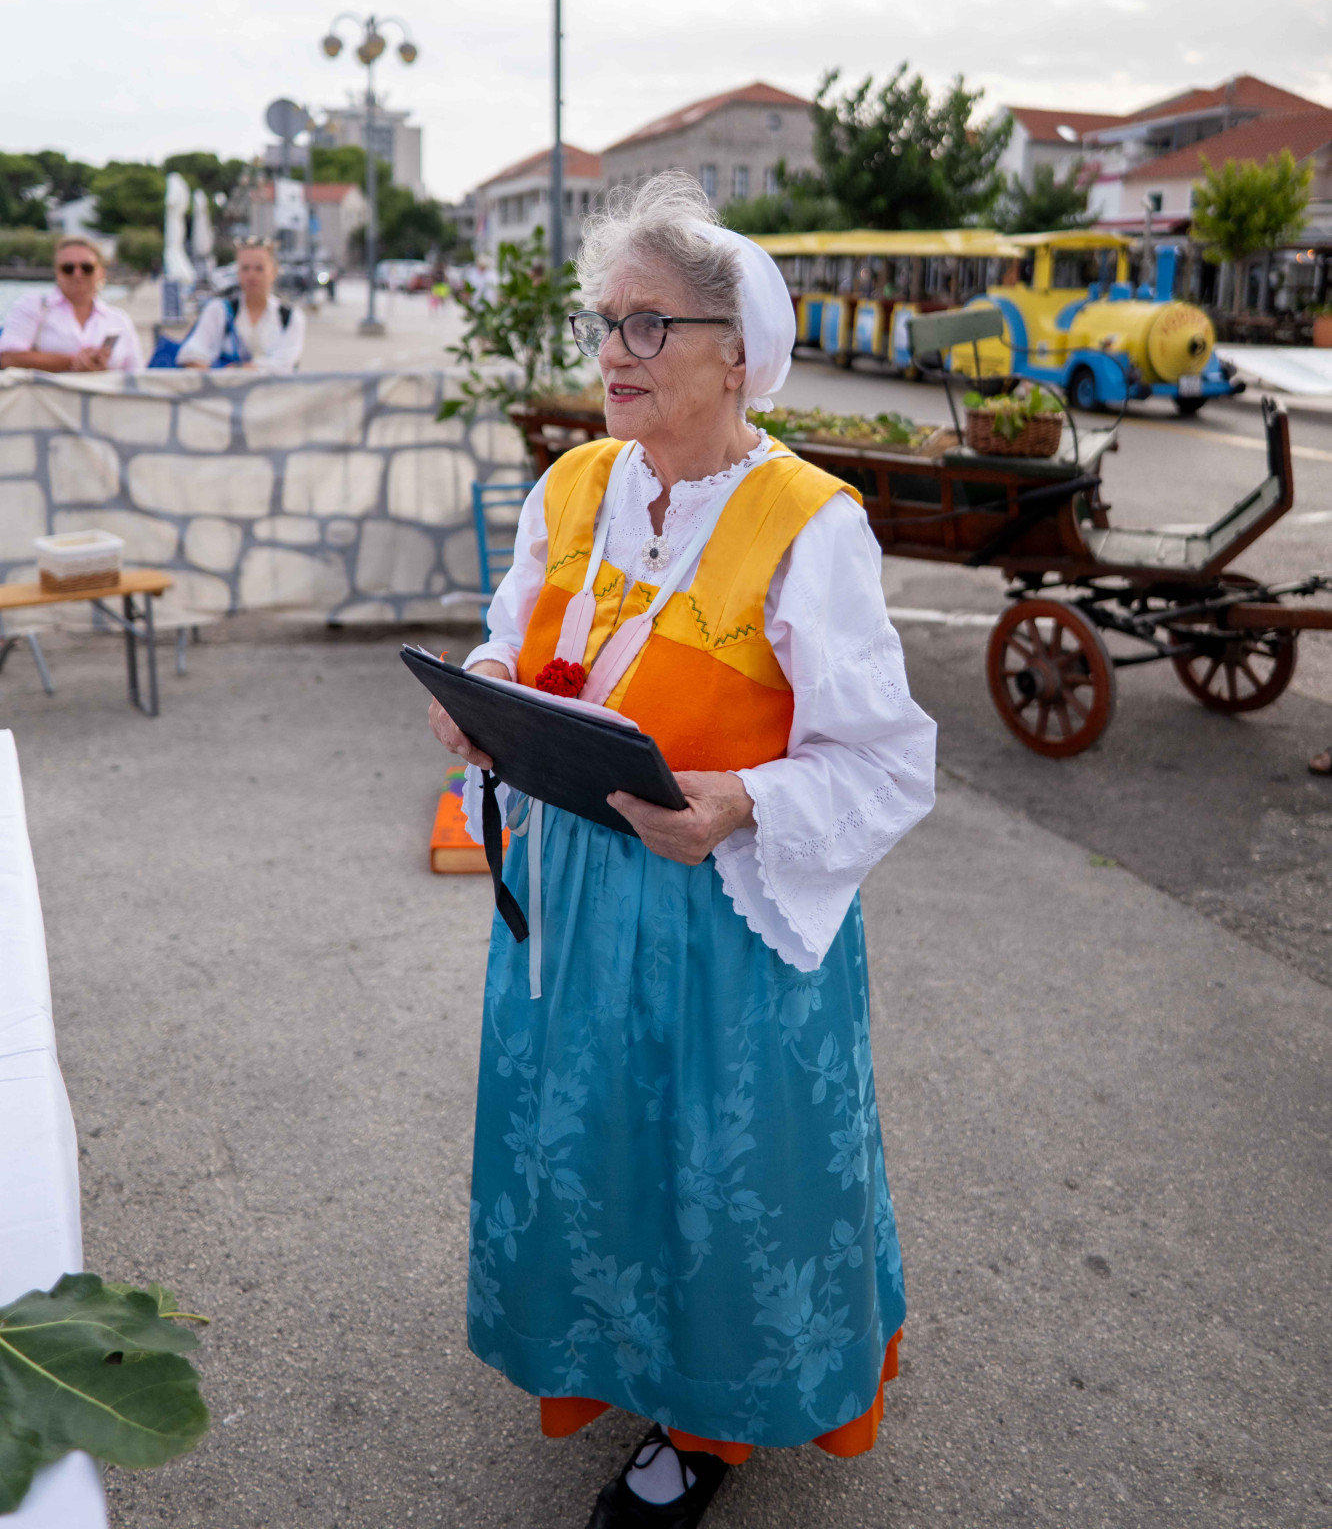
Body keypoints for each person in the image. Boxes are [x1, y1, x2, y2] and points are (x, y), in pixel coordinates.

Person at [426, 173, 936, 1527]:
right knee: (600, 1144)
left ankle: (710, 1419)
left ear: (736, 354)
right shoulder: (576, 484)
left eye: (648, 325)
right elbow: (514, 629)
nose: (613, 351)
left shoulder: (810, 524)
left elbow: (888, 760)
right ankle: (614, 1354)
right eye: (606, 322)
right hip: (575, 901)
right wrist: (482, 688)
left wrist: (740, 803)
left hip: (726, 923)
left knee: (722, 1169)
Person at [0, 236, 145, 373]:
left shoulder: (119, 319)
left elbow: (137, 374)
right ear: (57, 272)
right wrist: (73, 362)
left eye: (86, 268)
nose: (77, 273)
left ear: (101, 272)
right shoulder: (33, 306)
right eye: (68, 268)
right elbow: (7, 357)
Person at [176, 238, 305, 372]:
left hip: (267, 388)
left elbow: (284, 364)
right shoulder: (219, 310)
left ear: (274, 272)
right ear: (237, 272)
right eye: (245, 268)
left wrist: (232, 370)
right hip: (222, 386)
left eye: (259, 268)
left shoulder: (291, 317)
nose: (251, 275)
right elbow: (191, 352)